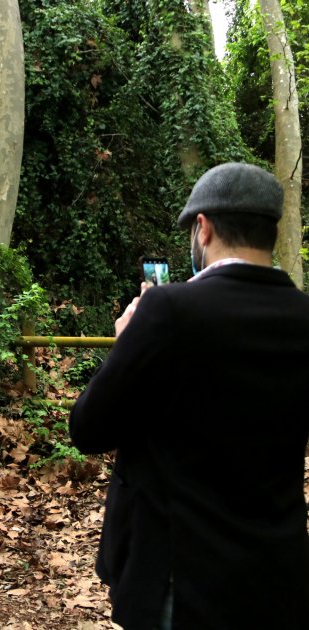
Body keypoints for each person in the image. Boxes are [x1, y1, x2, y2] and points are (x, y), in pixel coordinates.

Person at [69, 162, 309, 630]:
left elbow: (89, 429)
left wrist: (126, 343)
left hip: (180, 579)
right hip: (279, 572)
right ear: (273, 232)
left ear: (204, 228)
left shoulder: (168, 309)